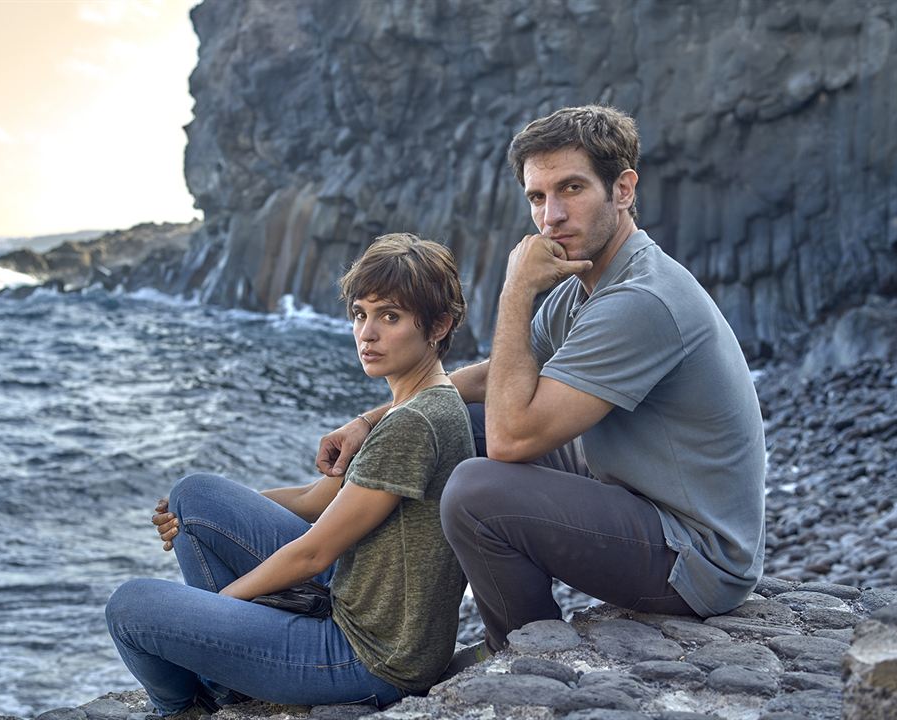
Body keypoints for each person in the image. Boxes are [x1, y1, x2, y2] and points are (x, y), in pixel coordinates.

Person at [316, 105, 766, 656]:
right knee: (450, 423)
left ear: (622, 189)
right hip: (635, 496)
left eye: (571, 188)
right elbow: (493, 379)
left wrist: (514, 291)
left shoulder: (639, 300)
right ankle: (371, 615)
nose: (551, 217)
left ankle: (525, 652)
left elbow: (512, 439)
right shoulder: (587, 286)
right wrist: (370, 421)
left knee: (476, 491)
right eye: (537, 196)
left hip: (696, 556)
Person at [106, 233, 475, 714]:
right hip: (360, 600)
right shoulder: (421, 405)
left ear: (438, 325)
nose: (367, 333)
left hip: (366, 658)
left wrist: (220, 611)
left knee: (130, 607)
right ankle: (228, 675)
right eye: (360, 314)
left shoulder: (412, 424)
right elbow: (314, 502)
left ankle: (185, 704)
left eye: (390, 317)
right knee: (194, 495)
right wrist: (195, 519)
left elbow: (313, 551)